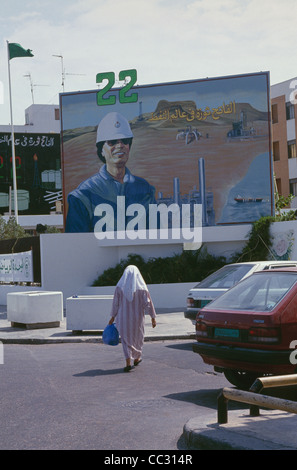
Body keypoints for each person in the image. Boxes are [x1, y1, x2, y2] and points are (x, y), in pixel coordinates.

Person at [65, 112, 156, 233]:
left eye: (125, 140)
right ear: (101, 150)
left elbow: (156, 234)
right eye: (112, 142)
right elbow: (75, 245)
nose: (120, 145)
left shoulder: (145, 189)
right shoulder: (83, 195)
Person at [109, 265, 157, 372]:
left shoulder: (119, 287)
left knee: (126, 340)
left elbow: (115, 304)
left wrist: (112, 317)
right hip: (137, 319)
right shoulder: (142, 288)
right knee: (138, 337)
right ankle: (137, 358)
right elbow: (147, 304)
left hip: (123, 319)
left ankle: (128, 363)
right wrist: (153, 317)